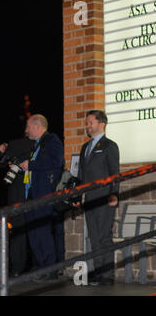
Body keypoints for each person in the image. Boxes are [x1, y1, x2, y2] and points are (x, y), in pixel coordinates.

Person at [74, 110, 119, 286]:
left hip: (105, 196)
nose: (87, 125)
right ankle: (98, 272)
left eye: (90, 122)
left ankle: (107, 275)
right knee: (93, 236)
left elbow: (115, 172)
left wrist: (114, 194)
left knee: (103, 236)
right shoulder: (85, 147)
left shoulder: (109, 146)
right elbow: (81, 175)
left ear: (101, 124)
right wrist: (77, 196)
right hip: (89, 198)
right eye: (87, 123)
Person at [19, 114, 64, 281]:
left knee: (43, 232)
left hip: (44, 195)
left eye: (28, 127)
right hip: (32, 195)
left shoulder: (52, 140)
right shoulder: (36, 145)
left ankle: (50, 269)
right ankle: (40, 266)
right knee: (34, 232)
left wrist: (31, 165)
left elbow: (56, 161)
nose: (26, 130)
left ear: (38, 127)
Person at [0, 138, 34, 276]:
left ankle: (17, 267)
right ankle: (34, 266)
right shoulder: (34, 145)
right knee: (34, 230)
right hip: (29, 195)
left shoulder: (15, 145)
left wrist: (1, 151)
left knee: (19, 231)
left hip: (19, 196)